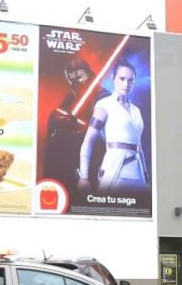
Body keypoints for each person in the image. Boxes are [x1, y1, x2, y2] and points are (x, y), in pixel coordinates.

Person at [77, 61, 149, 193]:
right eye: (122, 79)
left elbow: (139, 145)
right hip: (115, 168)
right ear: (113, 78)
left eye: (130, 80)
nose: (126, 84)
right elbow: (88, 142)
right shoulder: (104, 105)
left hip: (138, 173)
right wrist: (84, 177)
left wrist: (145, 173)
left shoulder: (136, 110)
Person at [42, 58, 108, 191]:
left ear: (88, 74)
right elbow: (57, 116)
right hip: (68, 160)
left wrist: (79, 129)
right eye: (71, 78)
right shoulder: (71, 97)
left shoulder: (104, 97)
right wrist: (58, 122)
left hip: (94, 155)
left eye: (79, 76)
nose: (76, 82)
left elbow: (106, 134)